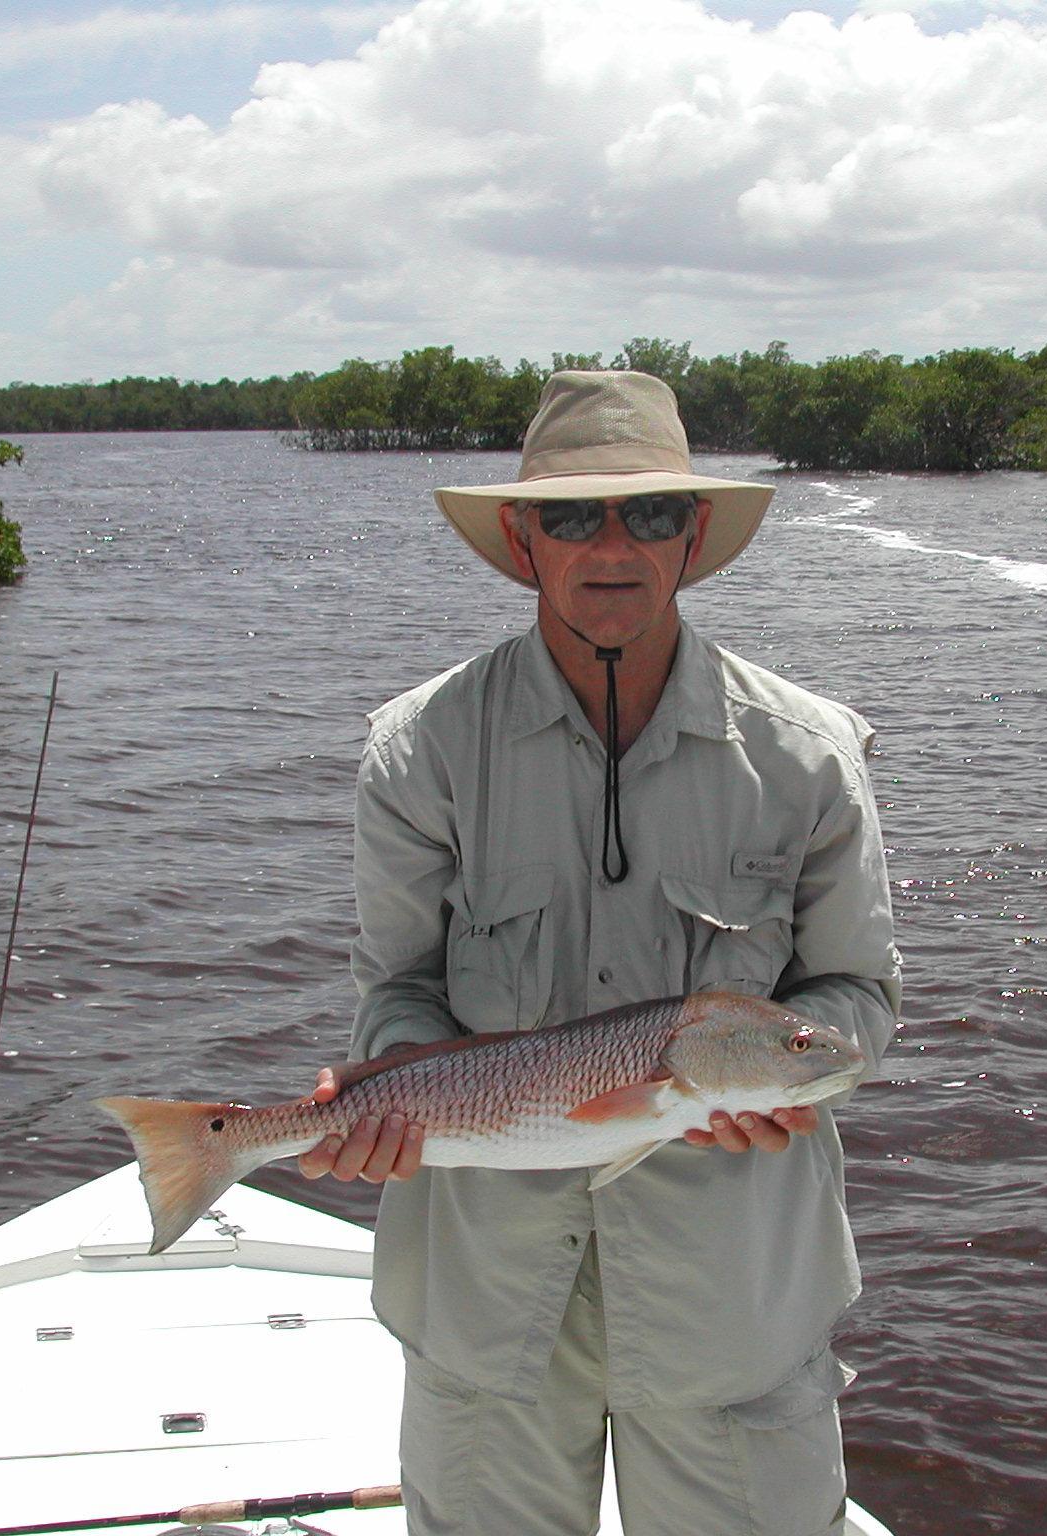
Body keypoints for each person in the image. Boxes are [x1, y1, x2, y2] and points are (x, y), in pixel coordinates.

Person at [300, 370, 902, 1536]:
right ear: (523, 541)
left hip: (735, 1297)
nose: (613, 545)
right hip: (486, 1303)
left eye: (651, 514)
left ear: (698, 534)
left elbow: (858, 993)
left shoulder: (810, 757)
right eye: (575, 516)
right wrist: (395, 1099)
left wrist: (785, 1072)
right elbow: (397, 993)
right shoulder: (418, 752)